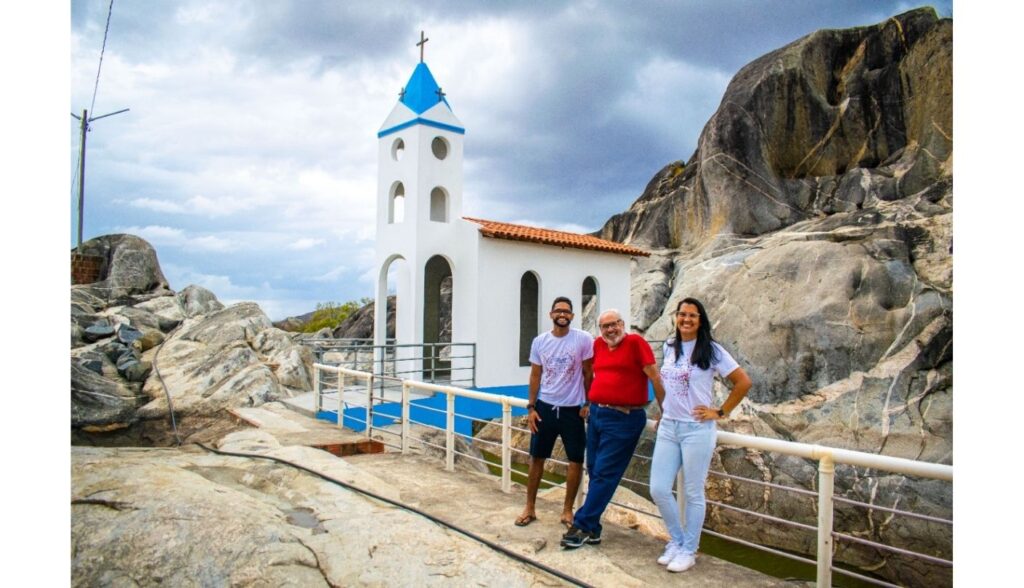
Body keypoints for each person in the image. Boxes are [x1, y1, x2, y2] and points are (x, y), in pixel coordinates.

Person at [650, 297, 752, 573]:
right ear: (676, 318)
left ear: (700, 320)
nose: (686, 319)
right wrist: (665, 410)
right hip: (669, 426)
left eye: (692, 316)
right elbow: (668, 386)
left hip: (697, 429)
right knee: (659, 488)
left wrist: (720, 412)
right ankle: (677, 540)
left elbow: (743, 382)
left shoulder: (712, 350)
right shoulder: (670, 346)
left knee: (693, 492)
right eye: (682, 314)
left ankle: (689, 550)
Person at [561, 308, 666, 549]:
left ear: (622, 324)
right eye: (605, 326)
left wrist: (666, 411)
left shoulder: (636, 343)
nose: (610, 330)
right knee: (594, 469)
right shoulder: (598, 345)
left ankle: (583, 525)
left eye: (614, 324)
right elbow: (592, 375)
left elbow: (655, 377)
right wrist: (588, 403)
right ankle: (595, 530)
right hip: (597, 414)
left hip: (624, 418)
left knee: (606, 473)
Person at [515, 296, 594, 528]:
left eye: (567, 311)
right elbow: (535, 375)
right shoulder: (540, 342)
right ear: (551, 315)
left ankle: (568, 511)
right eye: (558, 311)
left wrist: (588, 402)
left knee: (576, 460)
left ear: (572, 316)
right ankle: (529, 507)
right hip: (545, 408)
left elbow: (589, 373)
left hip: (572, 411)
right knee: (536, 458)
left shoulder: (583, 339)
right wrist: (531, 406)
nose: (562, 314)